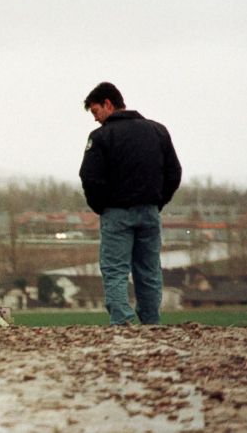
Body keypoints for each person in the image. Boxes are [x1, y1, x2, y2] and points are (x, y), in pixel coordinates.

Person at [79, 82, 182, 325]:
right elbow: (174, 172)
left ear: (108, 104)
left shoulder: (101, 137)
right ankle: (151, 322)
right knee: (149, 271)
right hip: (149, 212)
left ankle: (122, 323)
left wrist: (101, 207)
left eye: (95, 112)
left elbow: (89, 177)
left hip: (116, 214)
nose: (95, 119)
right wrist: (157, 202)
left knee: (115, 270)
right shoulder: (158, 131)